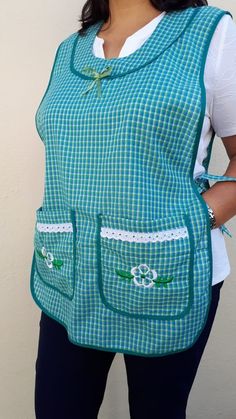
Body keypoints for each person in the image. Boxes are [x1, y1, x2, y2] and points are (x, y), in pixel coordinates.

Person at [31, 1, 236, 418]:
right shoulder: (70, 49)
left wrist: (200, 220)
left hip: (168, 272)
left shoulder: (208, 33)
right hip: (70, 274)